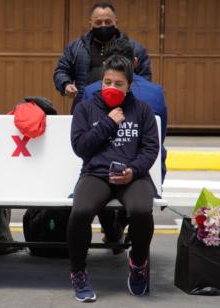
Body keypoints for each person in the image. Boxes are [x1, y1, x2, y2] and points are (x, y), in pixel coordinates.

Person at [68, 55, 159, 302]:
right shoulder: (85, 109)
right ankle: (78, 272)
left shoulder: (142, 111)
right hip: (96, 175)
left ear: (129, 85)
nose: (111, 87)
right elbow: (80, 147)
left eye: (118, 83)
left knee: (142, 210)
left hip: (132, 176)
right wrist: (108, 123)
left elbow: (150, 149)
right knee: (80, 212)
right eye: (107, 81)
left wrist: (133, 171)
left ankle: (138, 263)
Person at [81, 37, 167, 248]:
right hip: (149, 165)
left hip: (110, 167)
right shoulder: (155, 91)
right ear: (135, 62)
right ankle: (131, 232)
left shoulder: (92, 91)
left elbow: (84, 138)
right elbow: (160, 136)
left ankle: (112, 232)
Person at [53, 0, 152, 113]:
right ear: (91, 25)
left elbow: (145, 79)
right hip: (85, 107)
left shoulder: (133, 48)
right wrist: (65, 84)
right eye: (98, 22)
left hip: (124, 110)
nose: (103, 25)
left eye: (108, 22)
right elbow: (61, 70)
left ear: (116, 23)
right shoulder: (76, 47)